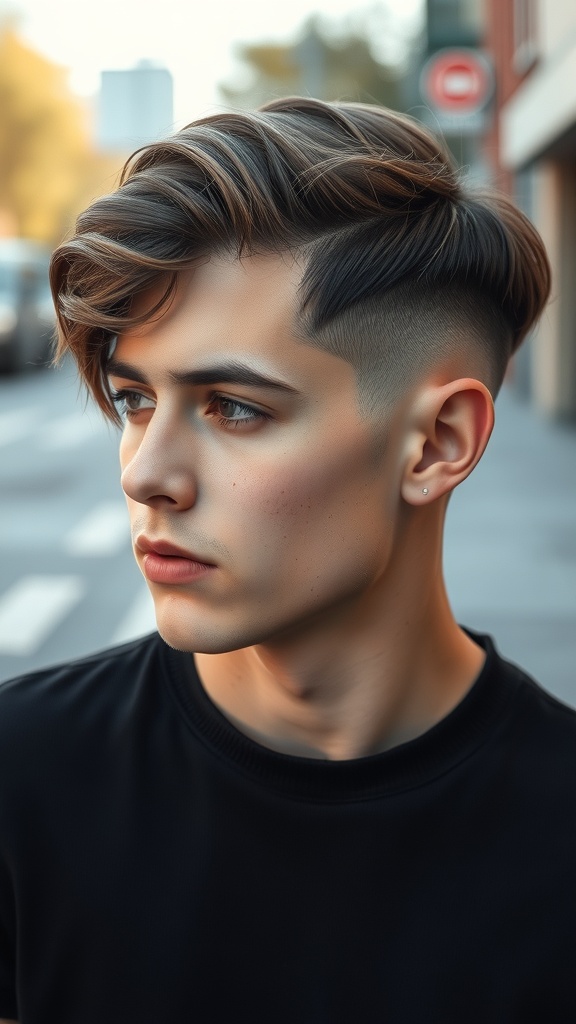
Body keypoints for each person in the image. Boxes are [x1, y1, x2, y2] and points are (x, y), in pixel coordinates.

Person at [0, 96, 574, 1024]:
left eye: (234, 408)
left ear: (436, 445)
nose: (146, 475)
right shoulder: (22, 784)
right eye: (134, 398)